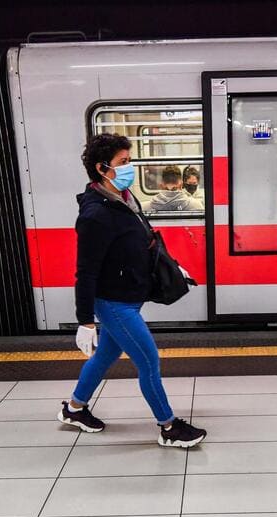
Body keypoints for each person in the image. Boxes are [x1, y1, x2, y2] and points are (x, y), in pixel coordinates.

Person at [57, 132, 206, 448]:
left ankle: (74, 408)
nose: (130, 168)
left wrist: (173, 265)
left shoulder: (125, 198)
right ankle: (168, 427)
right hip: (113, 303)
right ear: (102, 169)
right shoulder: (95, 215)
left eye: (130, 160)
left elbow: (145, 239)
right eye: (123, 163)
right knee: (149, 361)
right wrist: (85, 320)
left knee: (106, 355)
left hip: (130, 296)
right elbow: (85, 272)